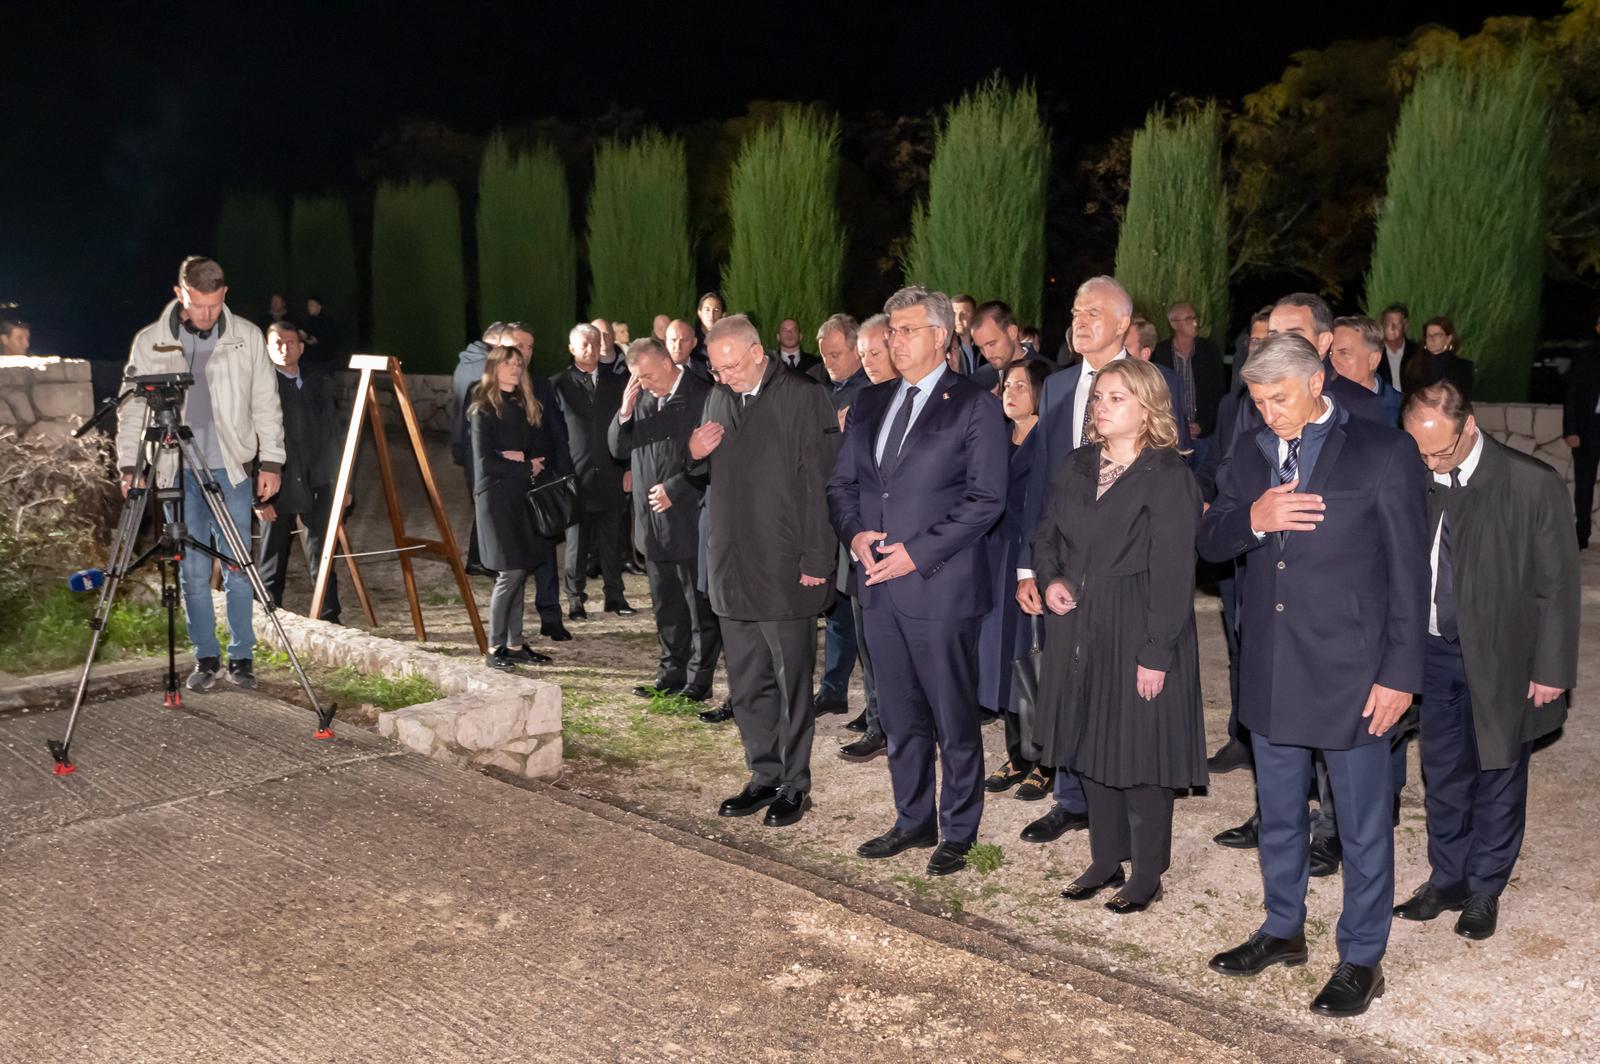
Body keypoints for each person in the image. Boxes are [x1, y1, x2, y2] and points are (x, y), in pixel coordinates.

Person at [1199, 333, 1427, 1018]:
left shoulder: (1383, 451)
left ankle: (1361, 957)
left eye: (1280, 398)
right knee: (1278, 813)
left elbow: (1410, 576)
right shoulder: (1250, 450)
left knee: (1360, 824)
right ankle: (1282, 929)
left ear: (1317, 381)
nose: (1269, 413)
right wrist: (1254, 518)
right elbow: (1209, 540)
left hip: (1354, 674)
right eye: (1260, 401)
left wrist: (1399, 675)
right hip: (1273, 665)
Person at [828, 285, 1008, 877]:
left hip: (941, 586)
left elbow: (987, 500)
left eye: (906, 330)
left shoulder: (974, 404)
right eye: (891, 331)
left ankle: (959, 830)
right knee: (899, 716)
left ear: (940, 336)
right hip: (877, 585)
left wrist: (916, 553)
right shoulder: (871, 401)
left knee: (953, 717)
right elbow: (843, 485)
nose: (894, 341)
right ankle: (913, 819)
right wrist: (855, 534)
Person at [1393, 381, 1579, 940]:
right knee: (1443, 771)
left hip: (1504, 656)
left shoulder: (1530, 483)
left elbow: (1557, 585)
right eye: (1419, 452)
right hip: (1433, 651)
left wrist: (1550, 669)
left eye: (1439, 452)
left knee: (1499, 769)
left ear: (1469, 426)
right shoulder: (1415, 476)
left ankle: (1484, 888)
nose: (1429, 463)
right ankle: (1447, 878)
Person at [1014, 276, 1185, 844]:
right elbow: (1043, 485)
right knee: (1072, 695)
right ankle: (1073, 802)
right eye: (1075, 311)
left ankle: (1131, 835)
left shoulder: (1156, 387)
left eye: (1092, 312)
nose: (1079, 320)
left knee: (1122, 714)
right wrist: (1033, 568)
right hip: (1066, 572)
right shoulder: (1060, 386)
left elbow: (1172, 491)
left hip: (1127, 585)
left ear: (1123, 323)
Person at [1035, 359, 1205, 914]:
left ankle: (1148, 871)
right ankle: (1106, 858)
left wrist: (1156, 652)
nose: (1101, 407)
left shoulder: (1168, 474)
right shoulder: (1077, 464)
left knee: (1140, 751)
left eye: (1116, 398)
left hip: (1141, 622)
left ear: (1148, 407)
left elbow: (1175, 571)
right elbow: (1046, 535)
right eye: (1099, 397)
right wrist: (1051, 579)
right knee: (1090, 743)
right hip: (1080, 624)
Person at [688, 314, 839, 828]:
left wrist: (818, 559)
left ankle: (795, 784)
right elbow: (705, 470)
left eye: (731, 366)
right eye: (716, 368)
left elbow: (821, 483)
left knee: (791, 681)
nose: (723, 376)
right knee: (747, 680)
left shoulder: (804, 396)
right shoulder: (717, 396)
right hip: (732, 562)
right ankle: (764, 774)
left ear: (757, 353)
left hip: (784, 565)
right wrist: (693, 454)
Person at [116, 256, 285, 692]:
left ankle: (242, 656)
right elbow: (132, 407)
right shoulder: (151, 341)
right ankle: (206, 656)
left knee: (238, 566)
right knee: (192, 571)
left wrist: (271, 461)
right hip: (177, 470)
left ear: (224, 294)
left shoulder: (247, 337)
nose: (207, 315)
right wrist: (130, 465)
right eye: (198, 305)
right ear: (180, 294)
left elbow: (266, 403)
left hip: (230, 469)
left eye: (214, 305)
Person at [609, 338, 720, 700]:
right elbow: (618, 449)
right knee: (666, 604)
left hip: (688, 516)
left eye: (649, 376)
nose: (645, 384)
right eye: (638, 378)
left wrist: (676, 487)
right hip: (651, 521)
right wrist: (625, 411)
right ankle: (670, 672)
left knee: (697, 605)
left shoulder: (703, 394)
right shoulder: (640, 399)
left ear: (667, 362)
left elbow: (714, 458)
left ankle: (698, 681)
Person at [452, 323, 573, 641]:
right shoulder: (479, 396)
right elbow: (471, 450)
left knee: (540, 555)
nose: (523, 356)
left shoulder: (538, 389)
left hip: (536, 485)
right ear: (499, 353)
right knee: (510, 569)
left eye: (529, 349)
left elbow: (555, 434)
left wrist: (560, 477)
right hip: (499, 490)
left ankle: (544, 621)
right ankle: (502, 643)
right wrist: (485, 484)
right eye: (517, 349)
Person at [978, 359, 1053, 796]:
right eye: (1007, 385)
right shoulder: (997, 436)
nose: (1011, 393)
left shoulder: (1050, 439)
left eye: (1022, 386)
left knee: (1034, 654)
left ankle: (1046, 760)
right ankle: (1017, 754)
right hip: (995, 558)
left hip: (1033, 559)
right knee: (1002, 657)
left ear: (1041, 391)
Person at [469, 344, 560, 671]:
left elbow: (539, 450)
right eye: (507, 362)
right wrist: (521, 463)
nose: (514, 368)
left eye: (519, 363)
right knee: (510, 572)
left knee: (519, 568)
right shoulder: (482, 409)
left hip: (522, 495)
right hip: (494, 499)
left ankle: (515, 644)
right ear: (494, 367)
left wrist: (521, 460)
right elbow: (485, 463)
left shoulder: (526, 405)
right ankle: (494, 648)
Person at [255, 323, 343, 624]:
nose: (285, 348)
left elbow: (336, 436)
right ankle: (269, 618)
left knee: (323, 554)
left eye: (290, 342)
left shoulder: (319, 384)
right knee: (272, 555)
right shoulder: (259, 388)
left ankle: (329, 617)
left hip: (318, 482)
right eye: (278, 343)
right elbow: (248, 442)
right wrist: (258, 498)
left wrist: (344, 485)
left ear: (301, 348)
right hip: (276, 485)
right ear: (268, 349)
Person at [838, 314, 899, 753]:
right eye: (862, 355)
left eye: (875, 352)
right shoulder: (862, 402)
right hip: (864, 542)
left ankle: (903, 723)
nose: (868, 362)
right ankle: (878, 721)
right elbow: (843, 478)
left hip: (910, 549)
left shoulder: (928, 403)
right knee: (869, 642)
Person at [551, 323, 634, 620]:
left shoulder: (618, 382)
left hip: (612, 472)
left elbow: (629, 426)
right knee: (576, 542)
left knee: (613, 539)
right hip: (575, 476)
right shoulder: (557, 385)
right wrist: (560, 474)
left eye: (595, 343)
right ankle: (575, 598)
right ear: (571, 348)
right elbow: (553, 435)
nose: (590, 349)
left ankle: (615, 595)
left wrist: (628, 467)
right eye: (584, 344)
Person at [811, 314, 869, 720]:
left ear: (856, 350)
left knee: (862, 610)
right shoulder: (821, 388)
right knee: (836, 606)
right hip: (825, 510)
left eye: (835, 354)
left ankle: (876, 706)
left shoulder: (871, 391)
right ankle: (833, 688)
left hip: (856, 512)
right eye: (824, 355)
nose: (828, 362)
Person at [1152, 301, 1224, 467]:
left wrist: (1203, 425)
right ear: (1174, 324)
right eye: (1189, 319)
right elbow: (1156, 395)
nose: (1195, 323)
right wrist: (1178, 427)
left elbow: (1218, 392)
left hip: (1204, 435)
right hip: (1173, 436)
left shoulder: (1209, 350)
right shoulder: (1161, 352)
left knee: (1204, 477)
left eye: (1195, 318)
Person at [1562, 310, 1600, 548]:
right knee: (1584, 483)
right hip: (1588, 429)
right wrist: (1570, 430)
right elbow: (1572, 395)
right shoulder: (1585, 356)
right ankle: (1582, 533)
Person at [1124, 318, 1191, 451]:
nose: (1117, 353)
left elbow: (1176, 436)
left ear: (1145, 353)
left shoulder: (1166, 382)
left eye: (1124, 349)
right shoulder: (1102, 376)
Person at [1330, 315, 1402, 425]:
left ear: (1373, 360)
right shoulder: (1322, 402)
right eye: (1331, 353)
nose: (1333, 360)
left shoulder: (1400, 410)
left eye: (1344, 353)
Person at [969, 300, 1054, 392]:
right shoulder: (977, 381)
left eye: (991, 344)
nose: (987, 354)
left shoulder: (1051, 377)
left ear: (1012, 332)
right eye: (981, 348)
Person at [1402, 316, 1474, 398]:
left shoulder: (1463, 367)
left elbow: (1463, 398)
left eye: (1437, 335)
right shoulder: (1414, 364)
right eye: (1429, 335)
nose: (1432, 339)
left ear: (1448, 339)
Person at [1377, 303, 1422, 390]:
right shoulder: (1375, 352)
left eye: (1396, 324)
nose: (1391, 328)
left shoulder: (1417, 353)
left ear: (1405, 326)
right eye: (1387, 324)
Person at [948, 294, 979, 376]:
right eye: (954, 314)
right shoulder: (947, 350)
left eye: (964, 313)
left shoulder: (984, 346)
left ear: (974, 316)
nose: (958, 319)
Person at [691, 292, 725, 363]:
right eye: (707, 310)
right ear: (699, 313)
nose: (711, 315)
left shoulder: (728, 339)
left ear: (723, 315)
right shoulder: (690, 338)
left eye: (716, 310)